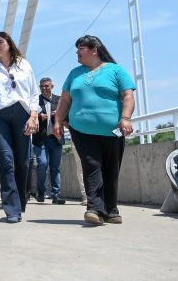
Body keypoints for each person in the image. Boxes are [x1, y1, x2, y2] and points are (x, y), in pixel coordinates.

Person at [54, 35, 136, 226]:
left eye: (81, 49)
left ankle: (111, 210)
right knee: (91, 165)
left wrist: (125, 118)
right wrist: (57, 121)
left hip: (113, 130)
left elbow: (128, 96)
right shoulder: (74, 74)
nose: (77, 53)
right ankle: (94, 208)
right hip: (81, 129)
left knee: (111, 168)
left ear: (94, 50)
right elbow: (65, 100)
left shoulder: (116, 71)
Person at [0, 31, 39, 223]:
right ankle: (11, 209)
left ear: (9, 44)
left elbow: (33, 94)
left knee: (23, 162)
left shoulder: (24, 65)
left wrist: (33, 117)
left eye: (0, 42)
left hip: (22, 114)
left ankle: (19, 201)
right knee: (6, 160)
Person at [32, 77, 66, 205]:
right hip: (40, 140)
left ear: (52, 86)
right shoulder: (35, 101)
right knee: (42, 164)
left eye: (46, 86)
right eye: (42, 86)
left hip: (56, 138)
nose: (44, 88)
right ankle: (40, 191)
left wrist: (59, 114)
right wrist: (38, 116)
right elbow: (29, 115)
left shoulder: (60, 100)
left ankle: (56, 195)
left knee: (55, 167)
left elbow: (66, 115)